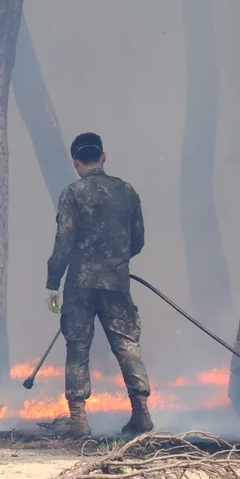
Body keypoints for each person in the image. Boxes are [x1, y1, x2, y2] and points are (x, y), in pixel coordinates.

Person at [46, 132, 153, 438]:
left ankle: (79, 420)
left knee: (78, 345)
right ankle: (141, 415)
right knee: (126, 343)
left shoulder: (72, 195)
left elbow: (63, 242)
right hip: (116, 283)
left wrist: (53, 282)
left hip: (79, 286)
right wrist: (115, 261)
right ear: (103, 157)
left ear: (76, 162)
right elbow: (138, 240)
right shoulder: (127, 192)